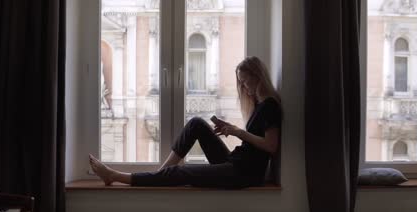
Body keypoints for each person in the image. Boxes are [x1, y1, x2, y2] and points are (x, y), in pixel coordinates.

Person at [89, 56, 282, 189]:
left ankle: (115, 176)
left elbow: (271, 146)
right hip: (236, 163)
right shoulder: (260, 105)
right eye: (241, 83)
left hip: (244, 174)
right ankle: (160, 175)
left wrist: (238, 132)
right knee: (196, 123)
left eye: (245, 82)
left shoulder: (270, 105)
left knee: (183, 172)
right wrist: (230, 130)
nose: (244, 87)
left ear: (258, 78)